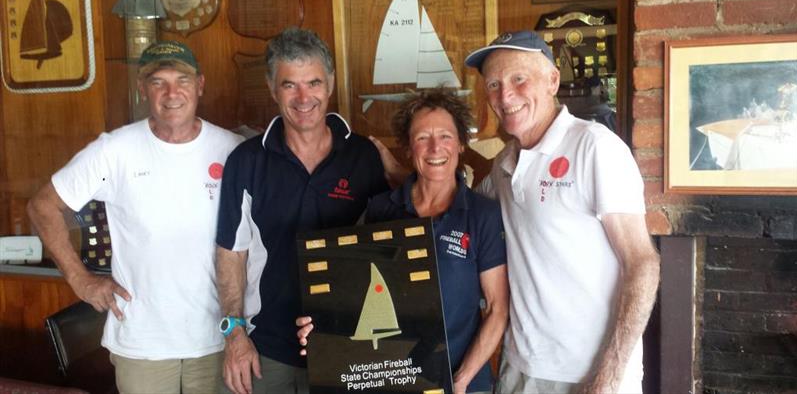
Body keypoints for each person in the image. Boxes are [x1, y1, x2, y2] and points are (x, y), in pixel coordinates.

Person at [27, 41, 244, 394]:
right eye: (158, 81)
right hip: (143, 345)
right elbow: (42, 206)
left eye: (183, 80)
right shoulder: (115, 150)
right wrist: (80, 280)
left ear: (200, 84)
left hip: (218, 339)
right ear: (143, 89)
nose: (172, 93)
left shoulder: (233, 149)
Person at [463, 31, 660, 394]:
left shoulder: (595, 147)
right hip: (519, 366)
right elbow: (460, 208)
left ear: (553, 80)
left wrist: (609, 376)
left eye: (519, 79)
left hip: (589, 373)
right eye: (494, 83)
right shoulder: (504, 165)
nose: (505, 96)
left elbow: (642, 264)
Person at [215, 28, 396, 394]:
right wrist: (233, 332)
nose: (303, 98)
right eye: (289, 85)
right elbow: (231, 253)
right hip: (265, 347)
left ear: (329, 84)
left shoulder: (363, 157)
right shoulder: (246, 162)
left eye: (313, 82)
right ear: (271, 88)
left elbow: (388, 248)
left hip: (348, 344)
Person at [297, 89, 509, 394]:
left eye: (446, 136)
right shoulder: (382, 209)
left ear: (461, 143)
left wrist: (460, 381)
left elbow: (496, 309)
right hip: (393, 380)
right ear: (409, 148)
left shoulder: (483, 215)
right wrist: (319, 324)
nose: (435, 147)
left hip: (463, 383)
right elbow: (356, 294)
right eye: (422, 137)